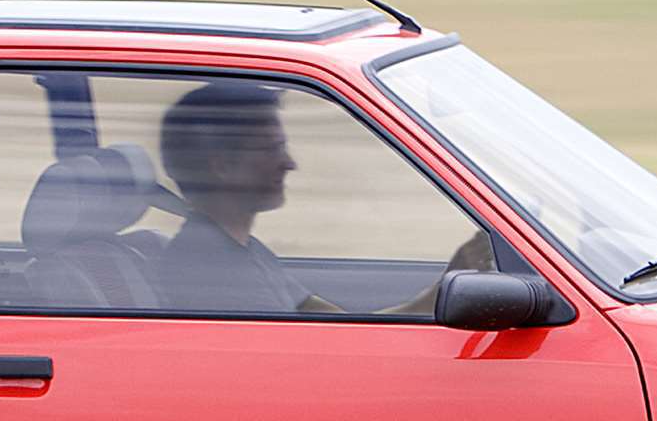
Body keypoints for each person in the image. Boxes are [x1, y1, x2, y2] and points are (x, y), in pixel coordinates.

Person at [154, 81, 488, 317]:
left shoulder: (239, 251)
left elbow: (351, 330)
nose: (289, 163)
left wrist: (445, 287)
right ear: (223, 167)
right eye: (273, 149)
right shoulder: (212, 271)